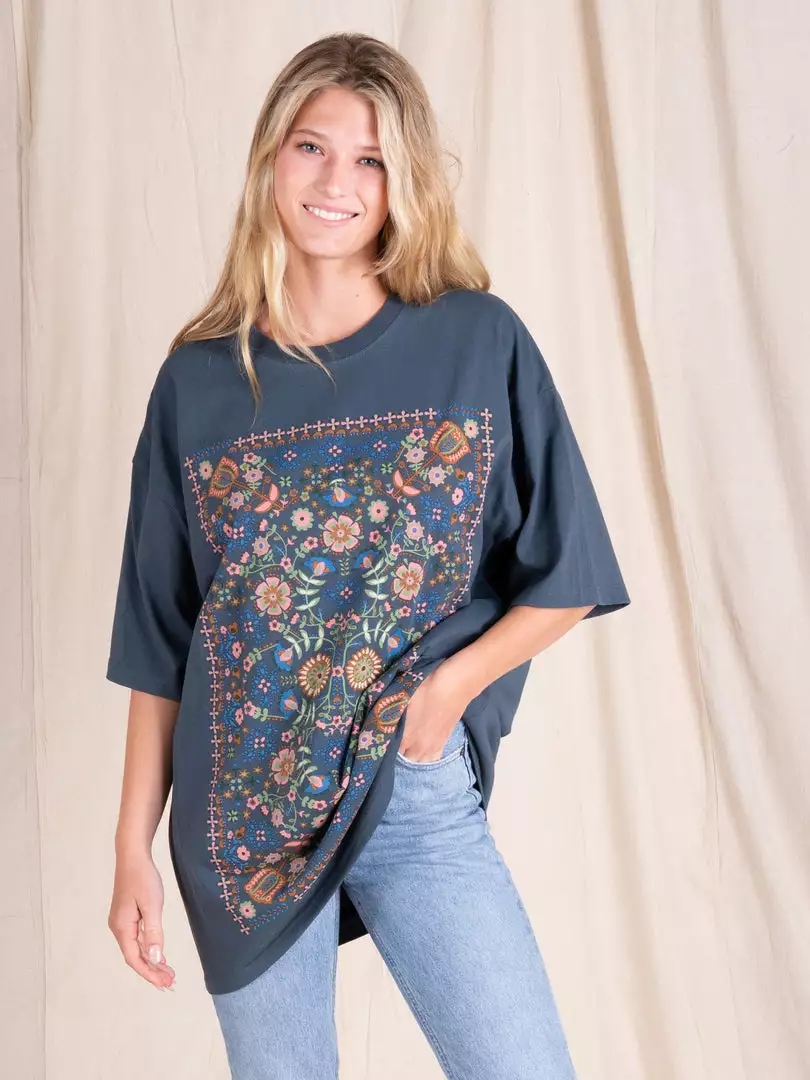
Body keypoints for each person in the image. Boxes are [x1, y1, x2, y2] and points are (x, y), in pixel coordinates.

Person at [105, 31, 630, 1080]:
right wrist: (130, 851)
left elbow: (568, 572)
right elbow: (161, 640)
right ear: (271, 157)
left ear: (404, 184)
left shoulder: (476, 341)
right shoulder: (196, 385)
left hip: (412, 792)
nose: (336, 181)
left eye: (371, 159)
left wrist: (443, 699)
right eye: (312, 146)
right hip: (242, 820)